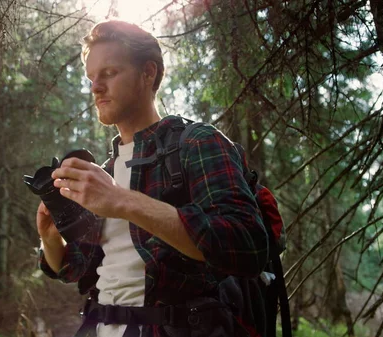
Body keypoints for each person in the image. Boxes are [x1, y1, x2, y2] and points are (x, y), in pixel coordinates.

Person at [36, 20, 269, 337]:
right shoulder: (105, 172)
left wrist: (122, 201)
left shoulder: (196, 143)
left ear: (148, 73)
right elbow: (76, 266)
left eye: (109, 73)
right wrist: (51, 239)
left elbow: (247, 246)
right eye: (91, 77)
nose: (95, 87)